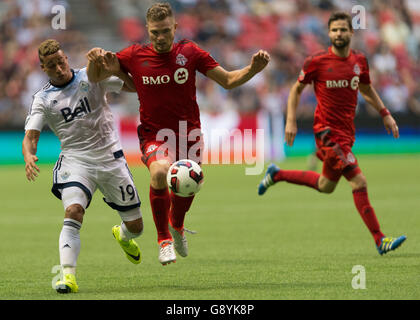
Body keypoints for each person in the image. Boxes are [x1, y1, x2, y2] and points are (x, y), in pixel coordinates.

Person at [87, 2, 270, 265]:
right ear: (147, 31)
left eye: (164, 31)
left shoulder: (190, 52)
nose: (160, 38)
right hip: (154, 134)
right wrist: (97, 61)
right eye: (154, 33)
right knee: (160, 172)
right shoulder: (134, 55)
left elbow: (228, 80)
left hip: (189, 134)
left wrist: (252, 70)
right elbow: (101, 76)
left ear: (175, 27)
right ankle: (164, 240)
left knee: (188, 184)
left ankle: (177, 225)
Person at [258, 12, 406, 255]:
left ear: (351, 32)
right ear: (329, 33)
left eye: (343, 30)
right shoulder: (316, 61)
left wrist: (385, 113)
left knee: (326, 185)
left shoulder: (359, 61)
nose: (338, 34)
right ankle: (380, 240)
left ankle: (277, 174)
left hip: (346, 133)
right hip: (327, 133)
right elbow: (296, 90)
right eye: (334, 30)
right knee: (359, 181)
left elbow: (366, 89)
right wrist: (291, 121)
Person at [22, 39, 144, 294]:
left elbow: (134, 87)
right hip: (76, 161)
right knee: (74, 211)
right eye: (51, 65)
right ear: (44, 68)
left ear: (67, 58)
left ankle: (122, 235)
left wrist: (114, 68)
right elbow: (30, 136)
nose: (58, 68)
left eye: (61, 61)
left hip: (111, 159)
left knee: (136, 228)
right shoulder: (43, 99)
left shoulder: (91, 76)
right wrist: (29, 155)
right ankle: (68, 277)